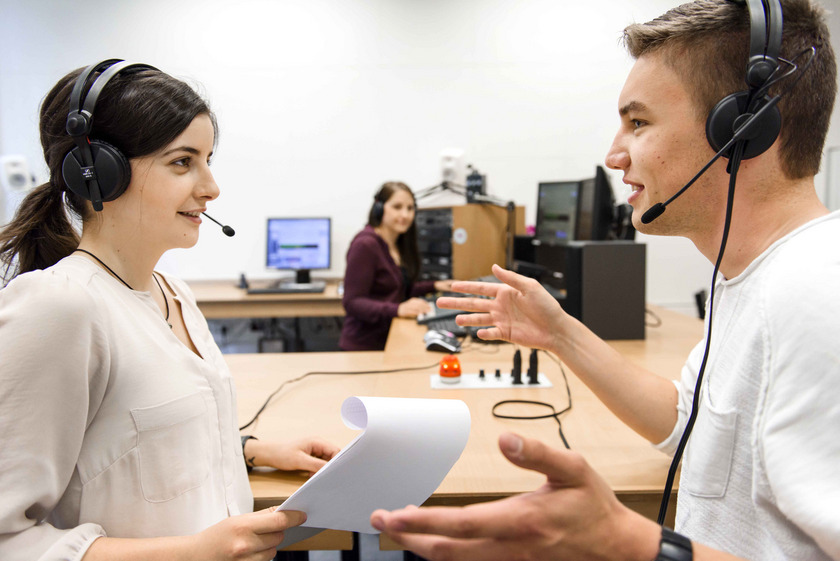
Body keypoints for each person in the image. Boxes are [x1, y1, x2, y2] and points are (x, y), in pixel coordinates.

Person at [371, 1, 840, 560]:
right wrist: (561, 333)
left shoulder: (817, 295)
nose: (615, 154)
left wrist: (630, 542)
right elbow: (686, 426)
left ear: (742, 130)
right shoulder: (753, 279)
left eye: (638, 122)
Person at [0, 60, 339, 561]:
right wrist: (193, 552)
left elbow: (130, 439)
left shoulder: (171, 293)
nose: (211, 186)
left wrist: (249, 451)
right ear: (100, 174)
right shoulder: (60, 307)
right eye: (183, 162)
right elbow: (9, 538)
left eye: (207, 159)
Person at [339, 181, 453, 351]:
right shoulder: (365, 245)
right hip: (364, 346)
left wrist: (435, 285)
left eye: (410, 208)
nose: (405, 215)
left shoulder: (397, 243)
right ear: (379, 208)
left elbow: (396, 289)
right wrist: (398, 309)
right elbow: (352, 302)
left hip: (390, 337)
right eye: (397, 207)